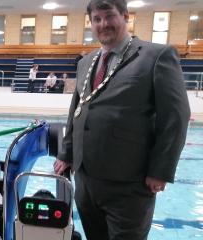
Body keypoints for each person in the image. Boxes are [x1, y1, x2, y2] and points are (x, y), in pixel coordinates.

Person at [53, 1, 190, 240]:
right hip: (86, 180)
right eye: (97, 19)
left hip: (129, 184)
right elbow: (77, 109)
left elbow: (176, 117)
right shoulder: (86, 62)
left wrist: (160, 170)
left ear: (126, 16)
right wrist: (66, 154)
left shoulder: (156, 56)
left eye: (109, 17)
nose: (103, 24)